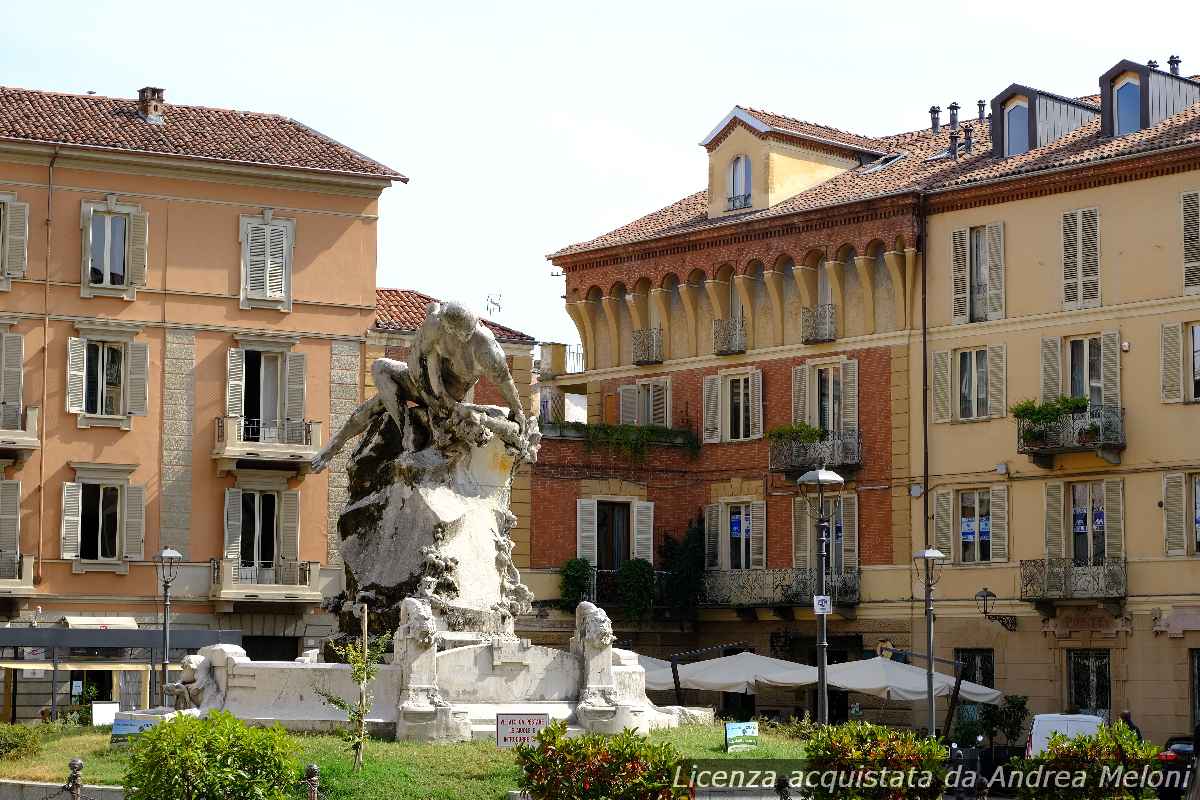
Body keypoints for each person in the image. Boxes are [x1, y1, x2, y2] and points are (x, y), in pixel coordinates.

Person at [311, 300, 527, 473]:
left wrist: (518, 411)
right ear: (447, 326)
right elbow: (418, 361)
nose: (461, 337)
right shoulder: (435, 324)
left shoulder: (486, 348)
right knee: (379, 374)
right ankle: (403, 430)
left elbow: (504, 380)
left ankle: (337, 449)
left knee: (375, 403)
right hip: (424, 385)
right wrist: (432, 393)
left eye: (465, 334)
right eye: (454, 331)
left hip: (450, 399)